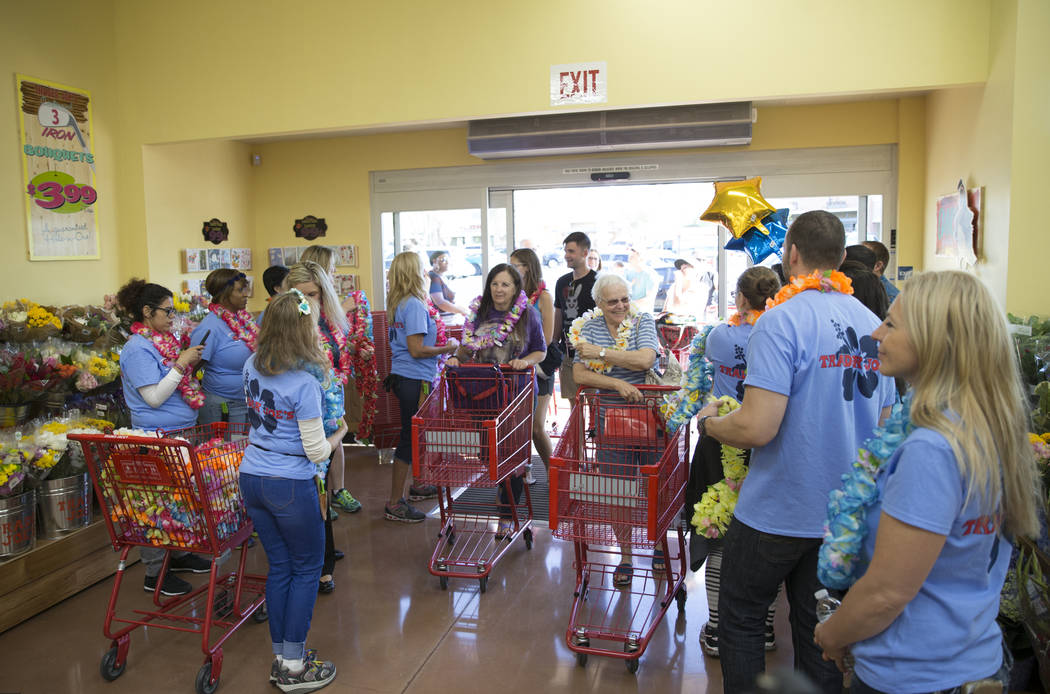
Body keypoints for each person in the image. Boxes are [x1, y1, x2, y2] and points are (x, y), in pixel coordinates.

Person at [696, 210, 896, 693]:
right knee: (818, 629)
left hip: (778, 511)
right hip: (842, 515)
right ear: (843, 259)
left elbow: (758, 426)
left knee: (741, 615)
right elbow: (886, 428)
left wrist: (712, 423)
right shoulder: (873, 323)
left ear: (791, 255)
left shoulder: (780, 321)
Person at [814, 271, 1041, 693]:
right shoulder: (984, 427)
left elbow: (886, 593)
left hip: (913, 673)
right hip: (972, 658)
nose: (876, 332)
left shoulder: (931, 450)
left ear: (937, 341)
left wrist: (832, 634)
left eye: (892, 324)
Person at [240, 290, 346, 693]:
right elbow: (316, 449)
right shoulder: (303, 384)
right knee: (306, 569)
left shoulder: (251, 365)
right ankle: (295, 669)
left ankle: (283, 659)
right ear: (305, 334)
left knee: (280, 567)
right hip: (290, 483)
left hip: (252, 476)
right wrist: (342, 432)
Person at [692, 267, 781, 658]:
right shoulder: (780, 334)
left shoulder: (720, 336)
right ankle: (764, 627)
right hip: (770, 438)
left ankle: (715, 627)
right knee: (771, 538)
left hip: (723, 434)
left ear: (741, 299)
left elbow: (710, 366)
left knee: (718, 536)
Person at [116, 278, 211, 596]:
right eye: (167, 311)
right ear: (147, 311)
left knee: (180, 502)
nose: (173, 317)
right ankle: (155, 573)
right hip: (156, 439)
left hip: (182, 434)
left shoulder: (162, 342)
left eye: (174, 311)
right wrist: (182, 364)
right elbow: (154, 397)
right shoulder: (137, 349)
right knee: (156, 506)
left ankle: (180, 554)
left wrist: (189, 365)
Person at [570, 273, 660, 585]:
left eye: (624, 298)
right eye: (613, 301)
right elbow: (580, 373)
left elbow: (646, 359)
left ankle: (659, 544)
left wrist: (603, 354)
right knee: (617, 491)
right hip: (611, 420)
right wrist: (617, 382)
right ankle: (625, 555)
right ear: (598, 304)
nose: (621, 305)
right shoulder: (587, 327)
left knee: (655, 487)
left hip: (653, 416)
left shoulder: (643, 320)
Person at [446, 263, 545, 536]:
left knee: (511, 455)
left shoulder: (528, 314)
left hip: (517, 393)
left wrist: (524, 361)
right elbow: (467, 348)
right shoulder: (478, 313)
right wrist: (457, 357)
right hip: (484, 395)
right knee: (488, 453)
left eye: (505, 284)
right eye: (495, 284)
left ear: (515, 289)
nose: (499, 289)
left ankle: (506, 515)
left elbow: (541, 351)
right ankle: (504, 494)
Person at [284, 262, 354, 594]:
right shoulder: (285, 324)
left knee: (321, 493)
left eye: (315, 295)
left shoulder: (325, 322)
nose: (310, 302)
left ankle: (324, 557)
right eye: (303, 295)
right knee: (309, 498)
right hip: (299, 423)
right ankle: (316, 562)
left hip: (323, 418)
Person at [385, 252, 459, 522]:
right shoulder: (415, 304)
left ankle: (417, 485)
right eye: (422, 269)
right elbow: (417, 350)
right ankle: (395, 503)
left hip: (404, 377)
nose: (427, 273)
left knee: (416, 434)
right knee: (409, 438)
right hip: (414, 378)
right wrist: (448, 347)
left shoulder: (398, 302)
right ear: (415, 273)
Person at [296, 247, 362, 517]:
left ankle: (338, 490)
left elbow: (338, 345)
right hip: (310, 389)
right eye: (331, 270)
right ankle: (319, 491)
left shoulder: (328, 310)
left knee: (336, 435)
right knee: (316, 443)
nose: (335, 275)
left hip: (333, 385)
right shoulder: (299, 313)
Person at [510, 248, 558, 486]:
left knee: (537, 427)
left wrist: (525, 352)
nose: (510, 269)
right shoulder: (512, 296)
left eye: (515, 265)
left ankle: (553, 474)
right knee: (519, 427)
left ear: (527, 267)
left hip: (539, 367)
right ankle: (524, 469)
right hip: (516, 370)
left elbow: (547, 339)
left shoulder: (544, 297)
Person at [191, 269, 254, 427]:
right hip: (223, 407)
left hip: (247, 402)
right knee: (226, 451)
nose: (246, 294)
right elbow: (191, 369)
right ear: (224, 293)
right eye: (240, 290)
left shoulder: (242, 321)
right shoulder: (210, 326)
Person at [553, 231, 598, 407]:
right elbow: (559, 313)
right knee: (575, 406)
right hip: (568, 354)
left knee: (595, 404)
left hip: (593, 356)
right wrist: (554, 344)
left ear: (585, 253)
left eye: (571, 251)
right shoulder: (561, 282)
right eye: (565, 251)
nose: (566, 256)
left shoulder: (598, 281)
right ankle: (577, 436)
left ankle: (595, 436)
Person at [428, 251, 468, 316]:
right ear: (434, 261)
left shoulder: (441, 276)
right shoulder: (434, 277)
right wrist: (461, 310)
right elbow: (440, 303)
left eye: (448, 260)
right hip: (441, 320)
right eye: (443, 260)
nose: (447, 262)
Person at [625, 247, 656, 313]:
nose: (629, 259)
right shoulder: (628, 273)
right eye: (629, 256)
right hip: (629, 315)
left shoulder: (650, 275)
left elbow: (648, 299)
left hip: (643, 315)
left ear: (641, 258)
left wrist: (629, 304)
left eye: (632, 256)